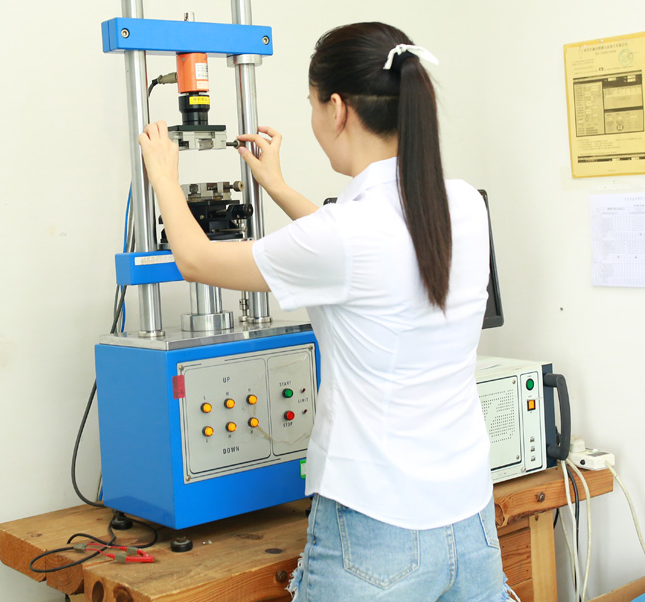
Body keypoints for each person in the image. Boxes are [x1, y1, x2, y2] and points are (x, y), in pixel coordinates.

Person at [139, 21, 516, 602]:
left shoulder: (347, 235)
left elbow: (194, 259)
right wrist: (278, 186)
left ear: (337, 109)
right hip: (469, 521)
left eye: (313, 104)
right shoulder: (463, 203)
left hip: (376, 529)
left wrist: (164, 175)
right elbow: (366, 254)